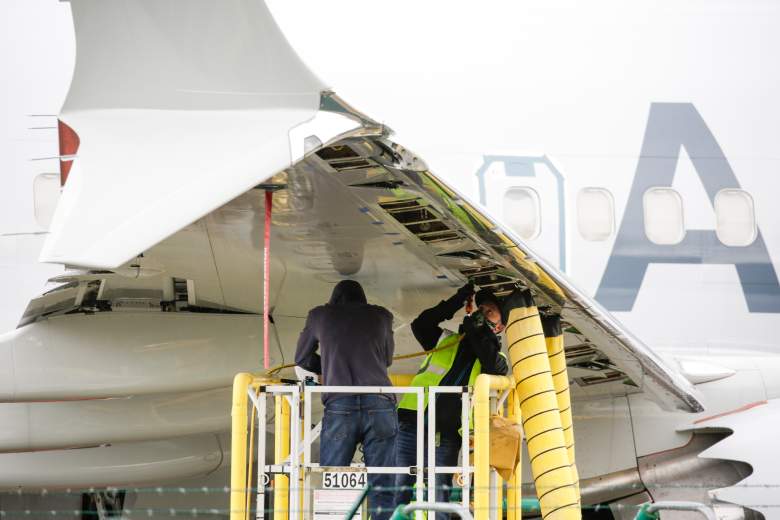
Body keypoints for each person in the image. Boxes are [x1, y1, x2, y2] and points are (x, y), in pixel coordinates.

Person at [394, 282, 508, 516]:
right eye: (481, 309)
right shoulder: (446, 341)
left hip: (444, 433)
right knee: (397, 488)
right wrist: (456, 301)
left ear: (500, 326)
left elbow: (488, 357)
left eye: (489, 312)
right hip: (410, 425)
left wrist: (477, 331)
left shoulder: (497, 360)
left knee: (438, 495)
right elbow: (421, 325)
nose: (482, 313)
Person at [295, 280, 397, 520]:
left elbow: (301, 357)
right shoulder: (382, 316)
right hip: (380, 404)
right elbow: (387, 360)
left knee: (333, 482)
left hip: (340, 406)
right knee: (383, 485)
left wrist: (329, 366)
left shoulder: (320, 315)